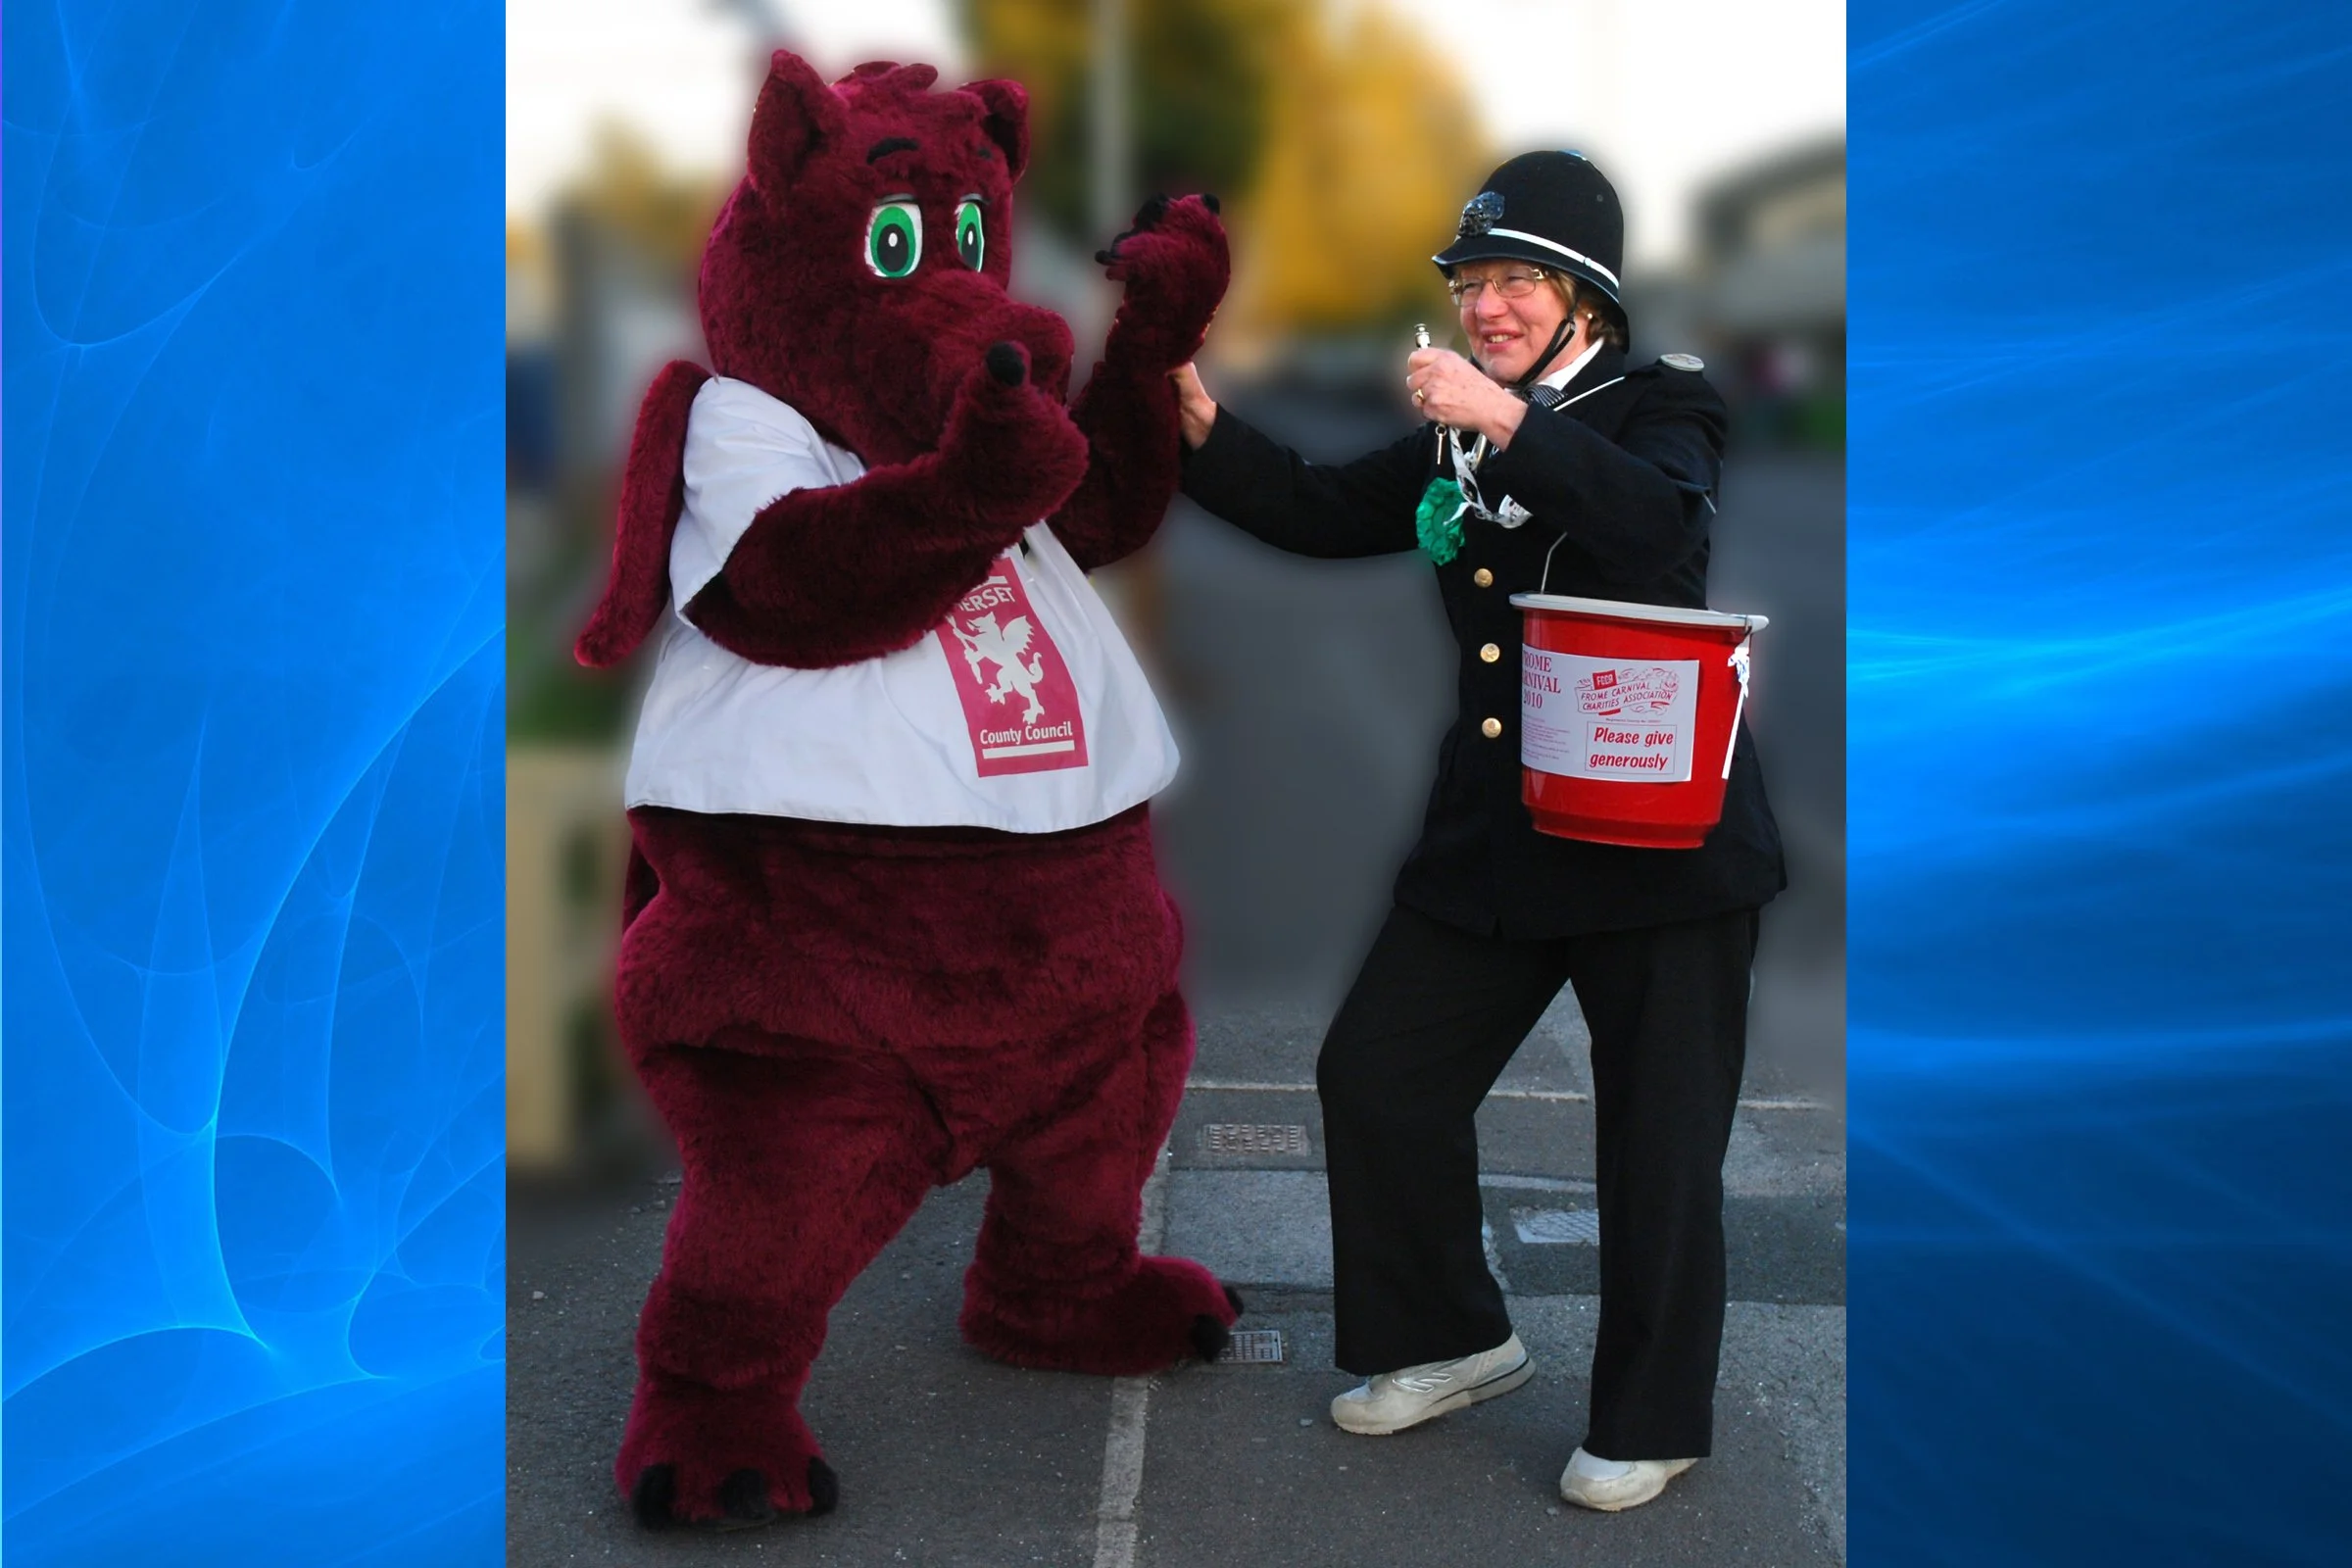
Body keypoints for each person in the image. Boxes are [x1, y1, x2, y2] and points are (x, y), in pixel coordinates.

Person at [1169, 151, 1786, 1513]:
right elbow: (1325, 512)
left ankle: (1651, 1416)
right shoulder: (1463, 417)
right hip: (1501, 837)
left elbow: (1659, 539)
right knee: (1378, 1075)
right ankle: (1452, 1339)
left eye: (1519, 281)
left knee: (1657, 1142)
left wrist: (1508, 425)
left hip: (1660, 838)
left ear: (1587, 302)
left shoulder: (1657, 401)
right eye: (1473, 282)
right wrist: (1199, 422)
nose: (1488, 307)